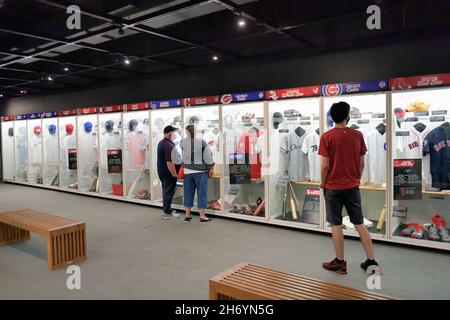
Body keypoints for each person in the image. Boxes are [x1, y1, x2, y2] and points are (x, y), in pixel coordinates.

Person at [318, 101, 379, 275]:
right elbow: (362, 162)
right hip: (352, 186)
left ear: (332, 117)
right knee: (359, 223)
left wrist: (323, 183)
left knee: (335, 224)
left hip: (333, 187)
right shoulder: (357, 135)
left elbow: (324, 166)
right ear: (347, 116)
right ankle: (372, 262)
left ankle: (340, 262)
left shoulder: (327, 136)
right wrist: (356, 179)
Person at [180, 124, 214, 223]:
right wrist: (211, 167)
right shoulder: (201, 141)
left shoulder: (182, 142)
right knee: (201, 193)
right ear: (195, 131)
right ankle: (202, 216)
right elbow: (208, 156)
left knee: (188, 192)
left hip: (187, 171)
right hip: (200, 171)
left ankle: (187, 215)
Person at [157, 125, 181, 220]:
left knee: (166, 191)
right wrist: (174, 173)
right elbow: (169, 162)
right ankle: (167, 213)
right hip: (168, 173)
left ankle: (167, 209)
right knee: (169, 192)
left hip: (162, 172)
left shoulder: (162, 143)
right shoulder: (168, 145)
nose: (176, 134)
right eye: (175, 132)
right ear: (171, 133)